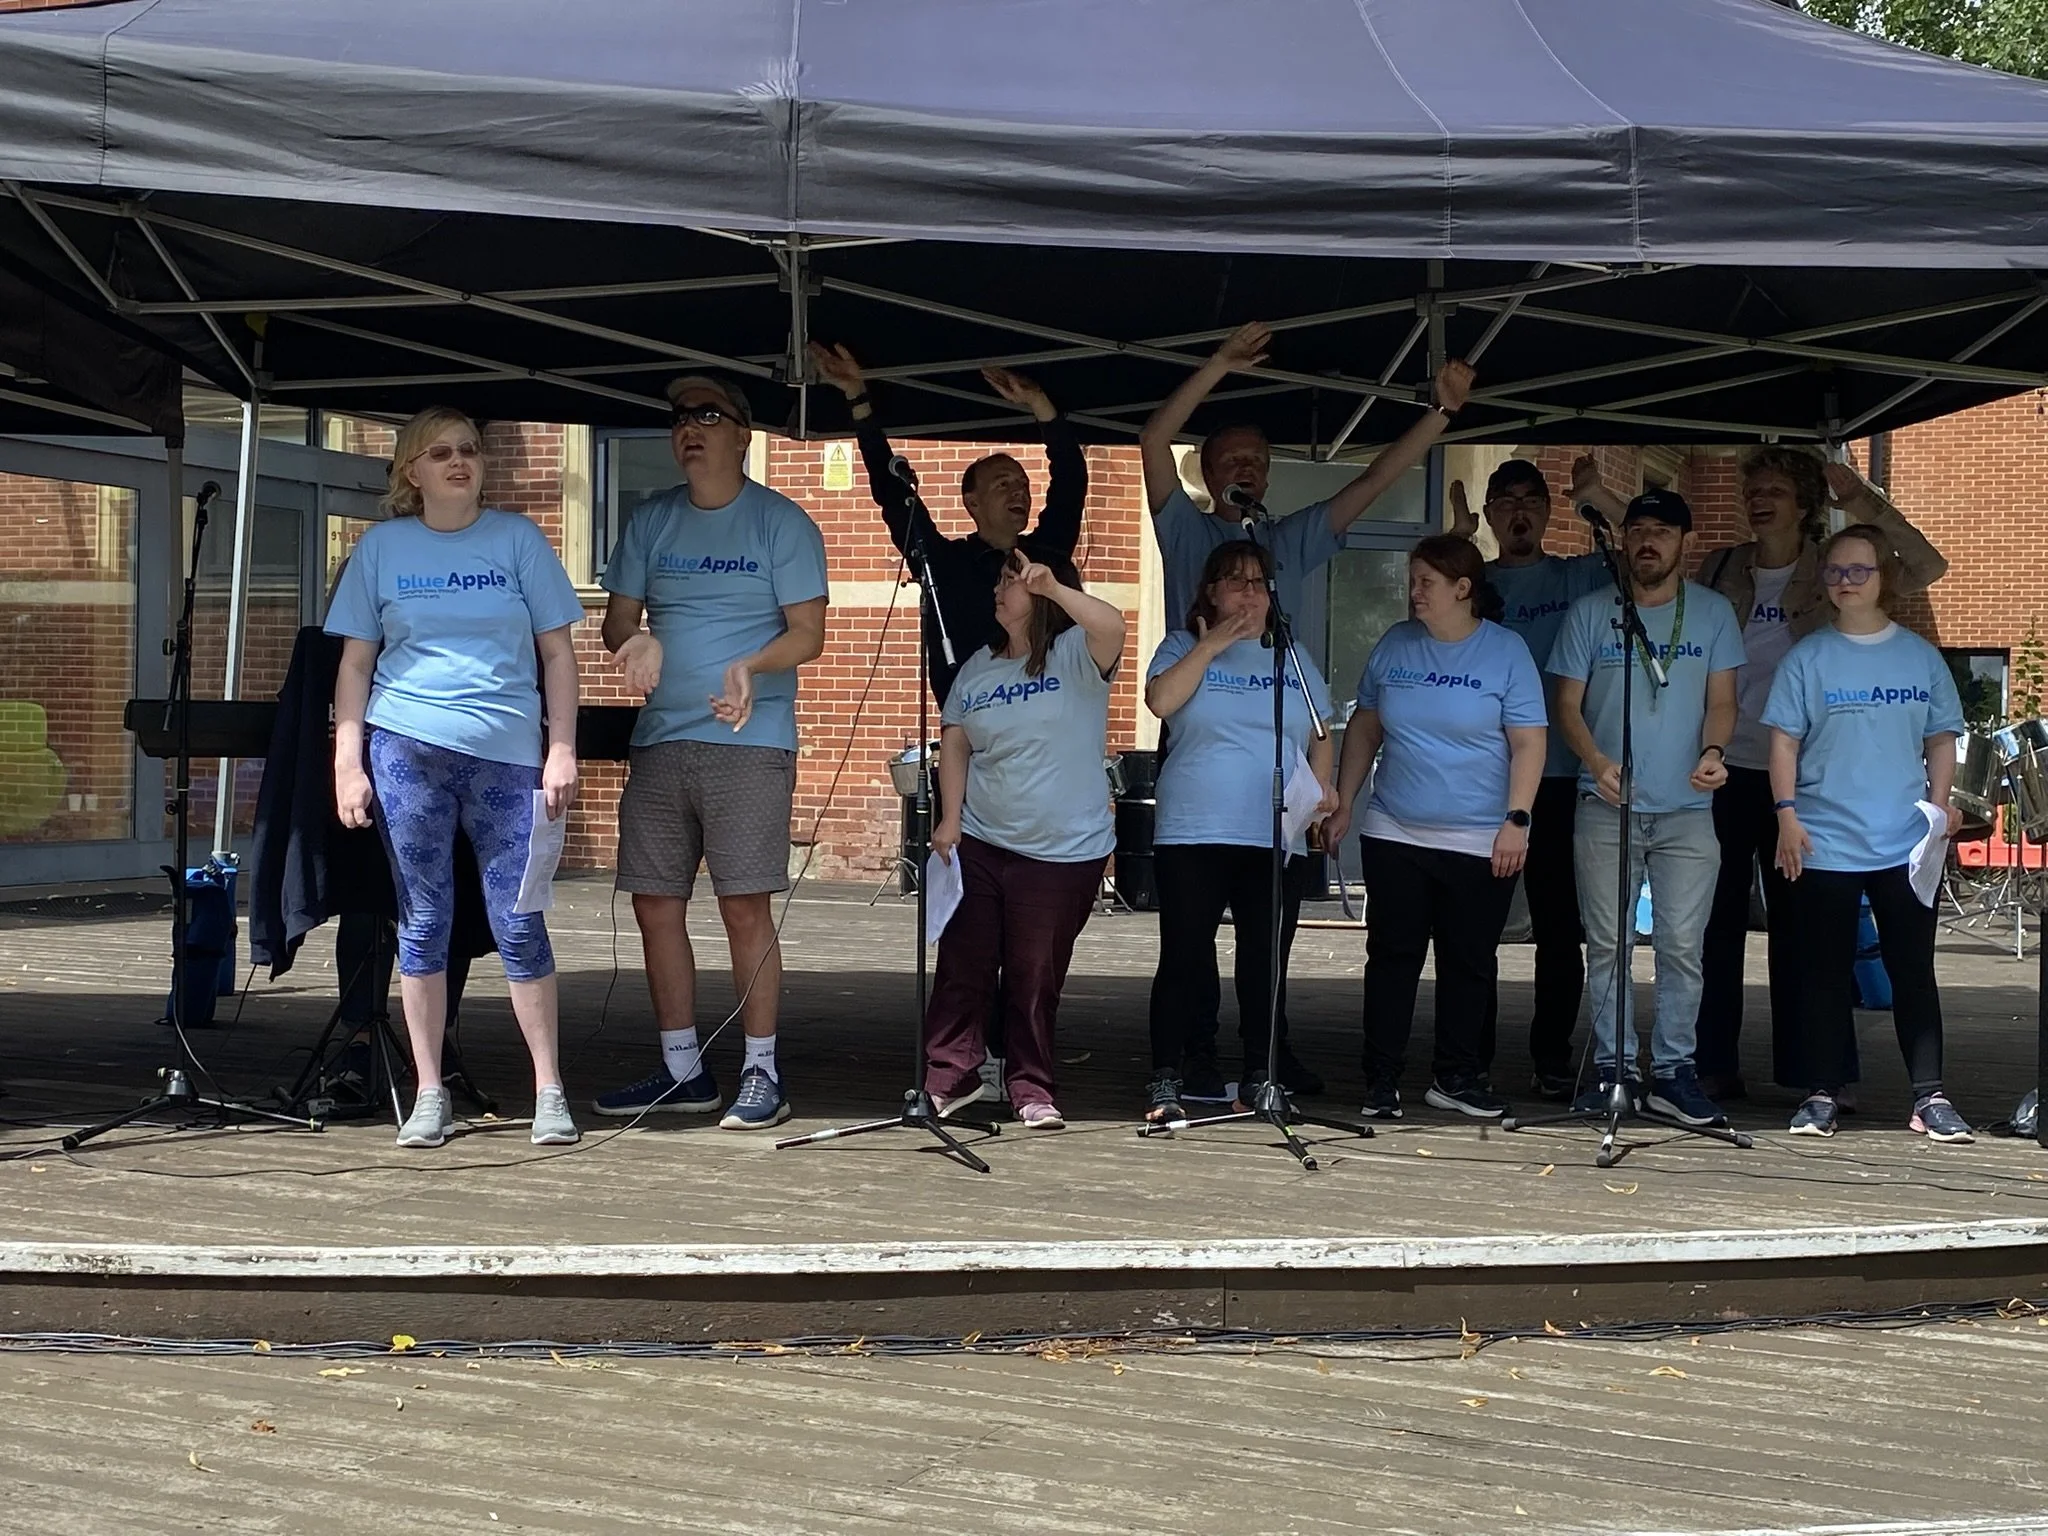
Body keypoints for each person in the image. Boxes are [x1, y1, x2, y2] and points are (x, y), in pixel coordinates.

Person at [326, 407, 586, 1149]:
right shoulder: (381, 550)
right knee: (424, 921)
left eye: (470, 450)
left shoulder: (518, 540)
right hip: (406, 749)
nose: (458, 462)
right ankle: (429, 1092)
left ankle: (549, 1091)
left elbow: (559, 655)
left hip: (507, 755)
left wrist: (560, 748)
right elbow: (353, 665)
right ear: (412, 471)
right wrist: (348, 764)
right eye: (440, 453)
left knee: (518, 921)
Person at [594, 373, 829, 1131]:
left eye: (707, 414)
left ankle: (762, 1070)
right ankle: (682, 1070)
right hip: (661, 743)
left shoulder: (781, 522)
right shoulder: (651, 519)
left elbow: (809, 633)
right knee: (656, 904)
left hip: (747, 741)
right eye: (679, 418)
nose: (688, 428)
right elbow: (616, 620)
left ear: (743, 434)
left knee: (743, 906)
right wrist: (637, 639)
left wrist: (752, 668)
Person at [1695, 448, 1948, 1101]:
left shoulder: (1835, 568)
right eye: (1754, 488)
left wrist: (1862, 502)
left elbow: (1925, 565)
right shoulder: (1722, 567)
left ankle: (1819, 1075)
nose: (1760, 499)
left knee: (1807, 936)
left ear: (1805, 503)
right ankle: (1712, 1063)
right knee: (1714, 924)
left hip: (1804, 780)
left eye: (1776, 489)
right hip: (1724, 766)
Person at [1324, 535, 1547, 1121]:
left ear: (1463, 589)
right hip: (1396, 831)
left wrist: (1516, 820)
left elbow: (1528, 741)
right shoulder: (1395, 644)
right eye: (1412, 580)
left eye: (1426, 582)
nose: (1414, 592)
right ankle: (1381, 1080)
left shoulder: (1506, 651)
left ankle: (1457, 1076)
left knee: (1469, 962)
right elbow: (1366, 730)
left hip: (1481, 838)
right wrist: (1344, 802)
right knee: (1392, 957)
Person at [1764, 526, 1968, 1142]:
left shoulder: (1920, 657)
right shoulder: (1807, 658)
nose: (1845, 581)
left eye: (1859, 570)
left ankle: (1929, 1096)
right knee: (1822, 974)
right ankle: (1822, 1093)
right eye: (1835, 570)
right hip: (1823, 841)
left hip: (1905, 845)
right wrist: (1786, 815)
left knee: (1913, 972)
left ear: (1885, 578)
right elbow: (1783, 741)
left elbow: (1939, 739)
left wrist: (1937, 814)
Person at [1547, 489, 1744, 1127]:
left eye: (1662, 530)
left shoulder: (1712, 613)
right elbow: (1567, 707)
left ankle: (1674, 1071)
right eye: (1637, 530)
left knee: (1684, 945)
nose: (1647, 542)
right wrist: (1598, 764)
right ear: (1623, 539)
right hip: (1605, 805)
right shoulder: (1589, 611)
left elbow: (1722, 699)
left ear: (1685, 542)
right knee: (1607, 944)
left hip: (1688, 807)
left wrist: (1715, 750)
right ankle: (1612, 1068)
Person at [924, 551, 1126, 1129]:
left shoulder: (1076, 655)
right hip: (984, 841)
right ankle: (950, 1075)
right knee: (964, 961)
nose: (998, 590)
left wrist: (1055, 587)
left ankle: (1031, 1087)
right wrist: (950, 819)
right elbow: (956, 743)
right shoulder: (977, 669)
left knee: (1034, 974)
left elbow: (1113, 625)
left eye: (1009, 581)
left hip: (1062, 852)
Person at [1450, 455, 1625, 1098]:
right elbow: (1427, 599)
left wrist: (1597, 498)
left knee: (1559, 929)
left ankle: (1552, 1056)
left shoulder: (1578, 576)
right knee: (1476, 929)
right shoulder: (1474, 582)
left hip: (1560, 778)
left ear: (1547, 512)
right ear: (1492, 514)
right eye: (1505, 502)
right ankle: (1472, 1057)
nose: (1518, 512)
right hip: (1480, 779)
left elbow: (1646, 555)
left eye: (1531, 500)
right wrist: (1460, 542)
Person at [1143, 540, 1335, 1123]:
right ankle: (1169, 1076)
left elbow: (1321, 734)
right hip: (1193, 828)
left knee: (1263, 959)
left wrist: (1321, 801)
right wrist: (1212, 643)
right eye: (1235, 581)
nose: (1249, 593)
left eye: (1258, 582)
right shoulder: (1182, 646)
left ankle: (1261, 1075)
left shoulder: (1291, 655)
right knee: (1184, 955)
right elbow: (1160, 701)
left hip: (1272, 833)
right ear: (1210, 591)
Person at [1139, 322, 1475, 630]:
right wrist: (1219, 364)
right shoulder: (1186, 530)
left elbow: (1371, 482)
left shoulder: (1287, 539)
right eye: (1232, 460)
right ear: (1208, 477)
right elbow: (1153, 439)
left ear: (1268, 479)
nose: (1247, 467)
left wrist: (1442, 413)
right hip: (1200, 693)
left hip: (1277, 694)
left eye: (1258, 460)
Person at [807, 340, 1085, 707]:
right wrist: (858, 398)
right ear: (972, 502)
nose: (1019, 492)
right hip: (971, 724)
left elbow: (1070, 480)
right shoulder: (946, 563)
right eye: (1004, 484)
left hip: (1044, 720)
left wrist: (1038, 403)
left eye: (1023, 485)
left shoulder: (1046, 554)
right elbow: (892, 494)